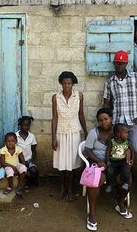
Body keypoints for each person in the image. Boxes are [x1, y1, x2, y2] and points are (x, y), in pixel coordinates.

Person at [83, 108, 133, 231]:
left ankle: (120, 202)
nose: (103, 122)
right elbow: (87, 150)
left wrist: (128, 151)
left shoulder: (119, 131)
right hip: (98, 164)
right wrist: (98, 160)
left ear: (111, 118)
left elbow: (127, 145)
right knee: (96, 181)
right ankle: (92, 214)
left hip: (116, 163)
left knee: (126, 180)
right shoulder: (94, 133)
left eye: (106, 119)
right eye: (100, 120)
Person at [103, 50, 137, 157]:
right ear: (114, 63)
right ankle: (125, 172)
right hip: (117, 123)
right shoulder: (109, 82)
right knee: (118, 151)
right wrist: (108, 121)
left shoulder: (136, 77)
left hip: (132, 122)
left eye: (122, 63)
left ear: (126, 63)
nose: (119, 65)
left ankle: (129, 167)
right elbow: (106, 104)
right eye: (117, 63)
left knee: (135, 148)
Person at [52, 71, 87, 202]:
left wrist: (86, 131)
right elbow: (54, 118)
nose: (67, 86)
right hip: (60, 132)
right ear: (61, 84)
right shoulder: (55, 97)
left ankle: (71, 189)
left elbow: (81, 115)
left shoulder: (79, 96)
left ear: (73, 84)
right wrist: (53, 138)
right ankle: (63, 188)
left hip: (74, 132)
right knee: (61, 162)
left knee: (72, 162)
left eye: (69, 83)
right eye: (64, 83)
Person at [105, 123, 132, 193]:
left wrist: (132, 159)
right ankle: (109, 184)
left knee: (126, 170)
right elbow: (108, 151)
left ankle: (126, 183)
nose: (127, 135)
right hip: (113, 161)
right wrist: (107, 161)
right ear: (118, 134)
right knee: (109, 171)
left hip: (123, 161)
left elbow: (132, 151)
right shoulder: (112, 141)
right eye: (126, 133)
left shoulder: (127, 142)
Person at [0, 132, 27, 197]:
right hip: (7, 165)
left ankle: (19, 186)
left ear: (16, 141)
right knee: (10, 171)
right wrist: (12, 167)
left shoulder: (18, 149)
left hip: (17, 164)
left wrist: (25, 168)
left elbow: (22, 160)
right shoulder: (3, 150)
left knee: (23, 168)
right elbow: (3, 163)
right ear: (5, 142)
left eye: (12, 141)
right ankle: (10, 186)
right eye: (8, 141)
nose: (10, 143)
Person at [16, 116, 39, 185]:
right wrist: (20, 161)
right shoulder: (15, 136)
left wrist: (32, 160)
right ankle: (27, 179)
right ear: (20, 125)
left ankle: (35, 179)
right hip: (19, 160)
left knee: (34, 171)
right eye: (23, 125)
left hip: (29, 160)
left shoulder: (31, 136)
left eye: (27, 125)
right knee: (27, 174)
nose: (25, 127)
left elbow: (34, 150)